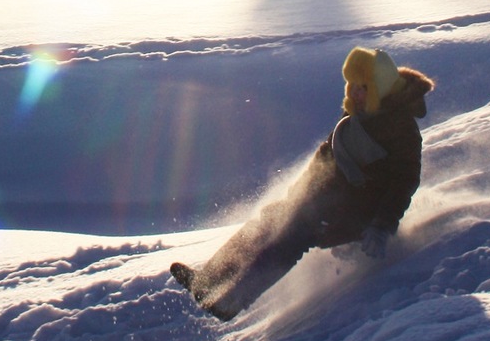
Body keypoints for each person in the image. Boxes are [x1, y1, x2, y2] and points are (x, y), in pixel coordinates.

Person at [171, 47, 435, 321]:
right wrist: (295, 198)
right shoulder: (355, 119)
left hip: (360, 215)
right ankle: (207, 281)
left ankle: (233, 300)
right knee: (272, 219)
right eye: (352, 86)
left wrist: (382, 225)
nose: (355, 93)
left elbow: (405, 179)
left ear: (379, 88)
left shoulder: (400, 127)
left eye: (363, 87)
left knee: (294, 232)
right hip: (331, 203)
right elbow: (323, 160)